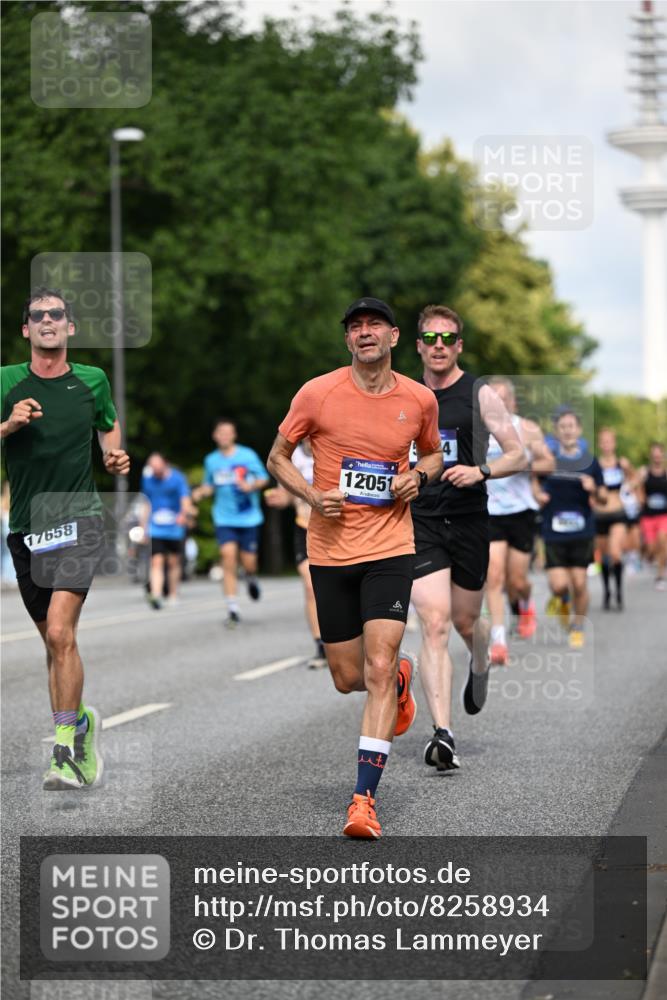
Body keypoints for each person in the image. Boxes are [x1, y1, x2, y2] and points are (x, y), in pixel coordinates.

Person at [267, 297, 443, 838]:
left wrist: (420, 477)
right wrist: (312, 497)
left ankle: (363, 801)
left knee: (377, 666)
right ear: (348, 340)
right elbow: (276, 456)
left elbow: (433, 454)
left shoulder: (418, 399)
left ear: (393, 337)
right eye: (355, 327)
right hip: (330, 550)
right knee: (347, 678)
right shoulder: (317, 393)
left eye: (374, 326)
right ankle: (402, 680)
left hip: (391, 547)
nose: (364, 333)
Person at [0, 287, 129, 790]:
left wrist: (114, 455)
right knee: (55, 647)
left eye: (57, 315)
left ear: (70, 328)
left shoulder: (92, 380)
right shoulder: (7, 380)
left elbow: (109, 427)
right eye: (38, 316)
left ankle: (63, 753)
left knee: (60, 633)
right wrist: (8, 424)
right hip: (27, 527)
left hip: (78, 518)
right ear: (26, 330)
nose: (49, 321)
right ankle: (80, 726)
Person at [408, 306, 526, 774]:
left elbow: (519, 454)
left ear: (459, 345)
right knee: (433, 622)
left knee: (464, 621)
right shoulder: (404, 393)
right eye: (430, 337)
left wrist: (481, 470)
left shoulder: (479, 393)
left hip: (470, 518)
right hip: (421, 521)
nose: (438, 344)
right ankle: (443, 733)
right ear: (417, 344)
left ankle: (481, 662)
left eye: (448, 338)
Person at [484, 377, 554, 664]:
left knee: (517, 580)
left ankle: (525, 602)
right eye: (493, 398)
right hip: (489, 512)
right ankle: (498, 641)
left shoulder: (527, 429)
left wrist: (524, 463)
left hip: (521, 512)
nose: (499, 404)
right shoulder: (477, 431)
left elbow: (549, 463)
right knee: (494, 576)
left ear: (512, 402)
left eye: (503, 398)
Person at [535, 409, 607, 648]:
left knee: (579, 582)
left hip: (582, 530)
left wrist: (594, 489)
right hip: (553, 531)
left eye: (571, 426)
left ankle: (577, 626)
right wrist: (538, 495)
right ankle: (561, 600)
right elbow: (532, 479)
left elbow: (605, 497)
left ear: (578, 430)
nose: (567, 430)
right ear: (557, 431)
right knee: (558, 585)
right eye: (563, 426)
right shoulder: (549, 461)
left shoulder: (590, 461)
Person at [193, 419, 269, 627]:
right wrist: (200, 492)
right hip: (224, 518)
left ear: (234, 435)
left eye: (228, 432)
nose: (224, 436)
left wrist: (250, 485)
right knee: (228, 557)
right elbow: (210, 485)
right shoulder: (212, 460)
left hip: (249, 517)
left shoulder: (247, 455)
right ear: (215, 436)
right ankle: (232, 608)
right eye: (220, 432)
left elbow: (264, 478)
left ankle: (251, 577)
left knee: (249, 562)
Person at [265, 438, 327, 669]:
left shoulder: (331, 452)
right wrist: (281, 499)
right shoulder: (294, 458)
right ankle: (320, 645)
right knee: (311, 587)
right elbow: (287, 493)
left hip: (334, 531)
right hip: (305, 528)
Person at [140, 452, 193, 609]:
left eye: (157, 466)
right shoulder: (148, 480)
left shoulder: (177, 478)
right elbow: (146, 503)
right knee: (156, 561)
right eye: (152, 466)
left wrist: (184, 515)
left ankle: (173, 594)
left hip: (174, 526)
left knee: (173, 562)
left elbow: (185, 499)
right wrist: (143, 526)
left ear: (165, 464)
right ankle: (156, 595)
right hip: (156, 527)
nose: (154, 470)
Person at [592, 428, 632, 610]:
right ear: (600, 444)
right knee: (604, 558)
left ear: (614, 444)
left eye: (610, 441)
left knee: (615, 553)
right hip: (599, 515)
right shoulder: (595, 465)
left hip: (617, 513)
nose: (607, 445)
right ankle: (607, 590)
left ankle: (619, 591)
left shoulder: (622, 463)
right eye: (603, 442)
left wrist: (631, 489)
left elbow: (636, 478)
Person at [637, 442, 667, 590]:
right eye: (654, 454)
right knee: (651, 547)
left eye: (659, 454)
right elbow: (635, 488)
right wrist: (640, 497)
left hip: (663, 515)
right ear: (651, 456)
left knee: (663, 542)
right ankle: (648, 557)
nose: (657, 457)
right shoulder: (644, 473)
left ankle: (660, 576)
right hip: (648, 516)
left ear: (662, 456)